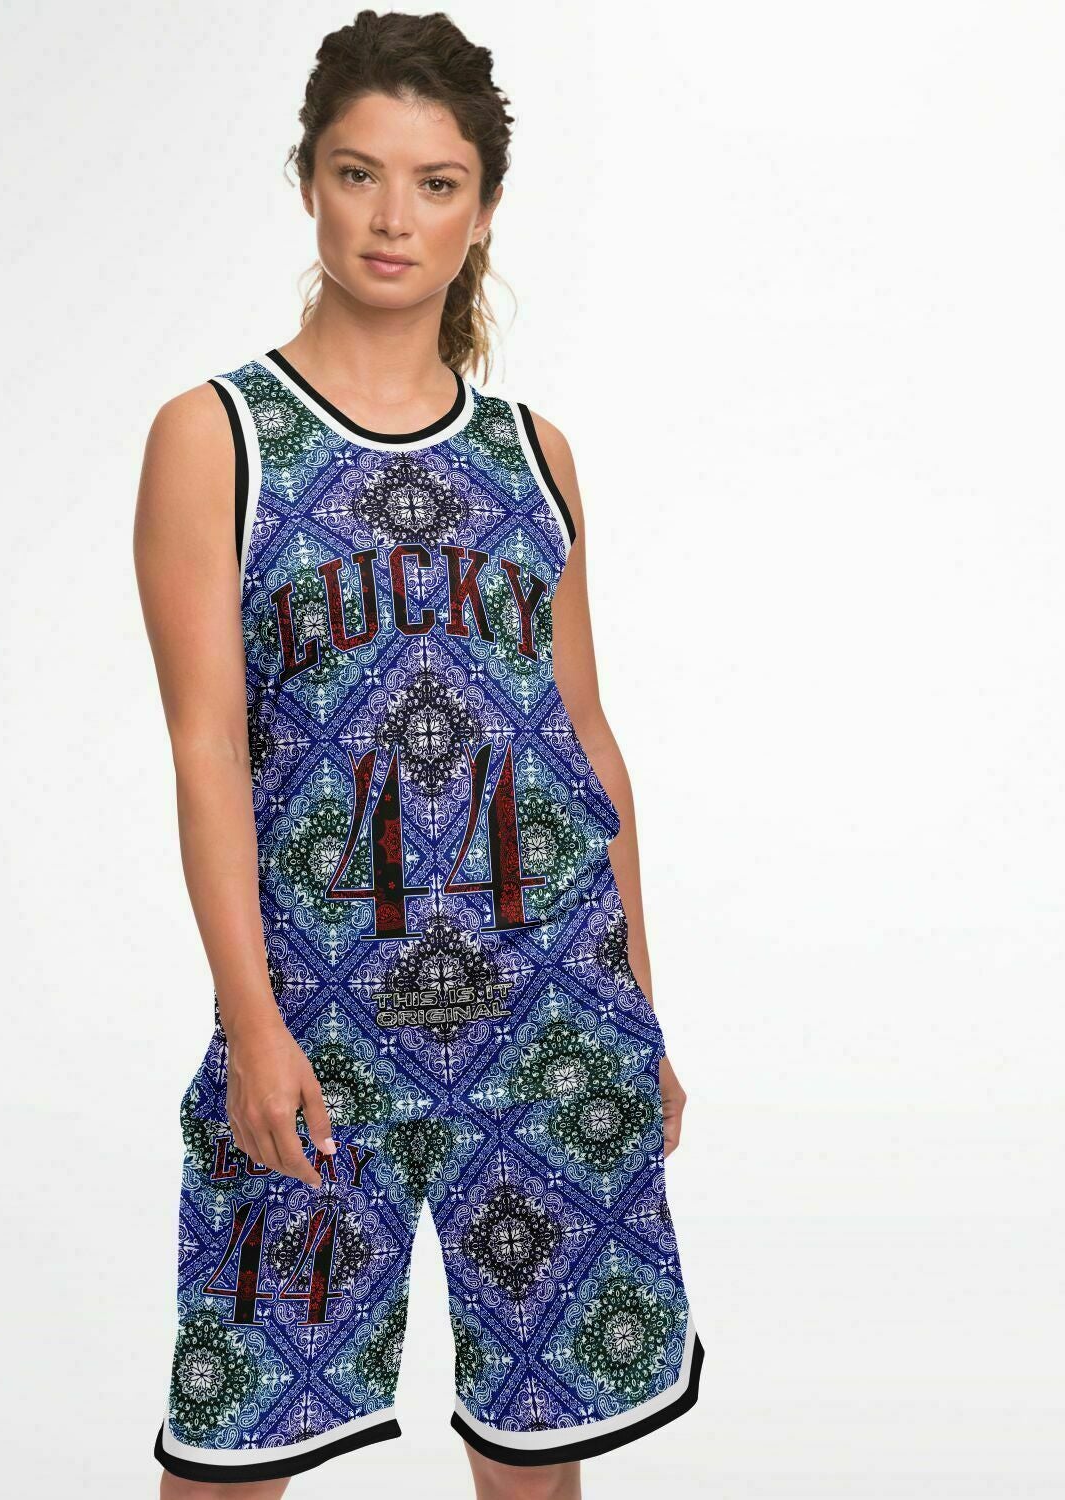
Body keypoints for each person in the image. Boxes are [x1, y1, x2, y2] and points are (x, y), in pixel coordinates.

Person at [133, 11, 704, 1494]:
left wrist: (640, 1009)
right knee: (232, 1443)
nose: (394, 218)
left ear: (484, 209)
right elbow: (206, 750)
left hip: (552, 1019)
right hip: (321, 1027)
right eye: (359, 173)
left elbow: (585, 738)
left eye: (436, 183)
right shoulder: (217, 437)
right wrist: (251, 1023)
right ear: (308, 183)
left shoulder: (534, 454)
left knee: (541, 1443)